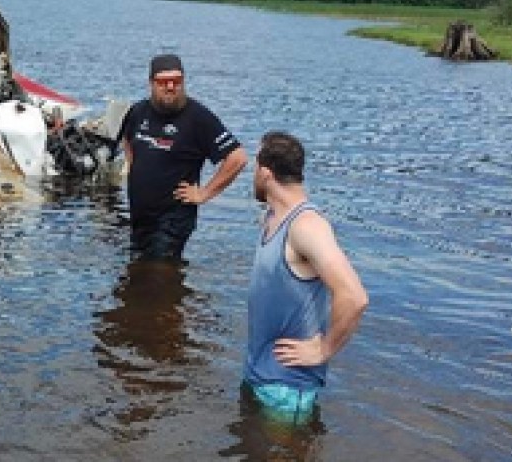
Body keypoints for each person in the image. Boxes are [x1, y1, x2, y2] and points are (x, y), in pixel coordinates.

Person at [244, 131, 368, 421]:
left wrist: (324, 349)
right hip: (261, 374)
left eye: (253, 168)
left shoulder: (307, 226)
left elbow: (354, 296)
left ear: (265, 172)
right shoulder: (274, 216)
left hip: (287, 389)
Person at [118, 54, 247, 260]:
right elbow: (127, 139)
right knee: (137, 274)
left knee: (158, 274)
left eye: (176, 81)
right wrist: (136, 173)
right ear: (151, 83)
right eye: (163, 82)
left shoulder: (198, 117)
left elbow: (237, 158)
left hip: (173, 219)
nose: (170, 86)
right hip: (140, 215)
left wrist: (204, 193)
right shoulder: (138, 111)